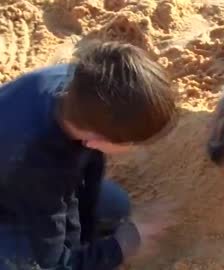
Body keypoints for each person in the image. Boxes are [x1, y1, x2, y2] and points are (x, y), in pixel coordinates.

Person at [0, 40, 178, 270]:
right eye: (134, 143)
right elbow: (53, 263)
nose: (137, 148)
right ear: (96, 140)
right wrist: (122, 247)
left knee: (115, 207)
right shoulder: (37, 169)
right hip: (14, 190)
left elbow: (83, 176)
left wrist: (84, 238)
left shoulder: (83, 86)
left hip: (24, 173)